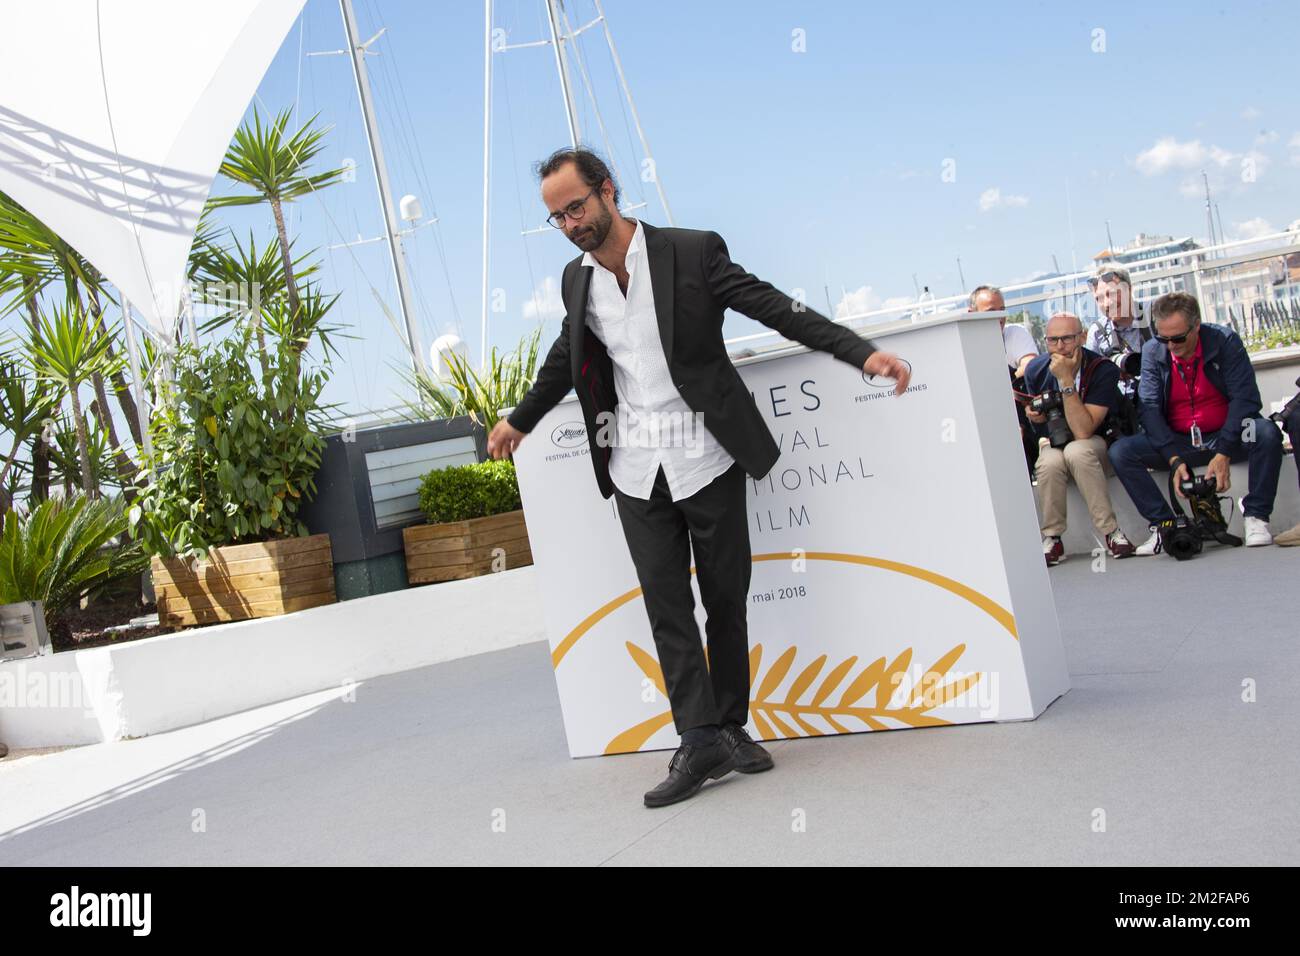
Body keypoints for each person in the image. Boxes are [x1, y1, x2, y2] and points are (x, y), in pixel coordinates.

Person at [486, 148, 911, 808]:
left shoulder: (691, 251)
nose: (570, 223)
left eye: (576, 207)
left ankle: (732, 726)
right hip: (633, 465)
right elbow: (567, 355)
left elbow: (775, 307)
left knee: (725, 598)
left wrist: (860, 353)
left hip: (706, 456)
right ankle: (697, 736)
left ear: (608, 191)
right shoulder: (578, 282)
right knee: (666, 608)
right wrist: (521, 420)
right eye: (556, 217)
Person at [1108, 292, 1283, 554]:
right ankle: (1166, 526)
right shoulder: (1153, 351)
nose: (1171, 345)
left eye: (1178, 338)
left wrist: (1223, 451)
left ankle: (1256, 516)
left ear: (1197, 326)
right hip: (1180, 442)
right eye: (1163, 337)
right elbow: (1150, 410)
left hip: (1228, 436)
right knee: (1121, 452)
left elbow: (1245, 400)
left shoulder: (1225, 341)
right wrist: (1174, 459)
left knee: (1266, 433)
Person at [1023, 313, 1137, 564]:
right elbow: (1040, 430)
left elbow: (1085, 430)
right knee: (1048, 463)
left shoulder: (1102, 368)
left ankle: (1111, 531)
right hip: (1057, 444)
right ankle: (1052, 537)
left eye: (1067, 339)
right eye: (1053, 340)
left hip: (1097, 442)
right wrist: (1036, 417)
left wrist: (1065, 381)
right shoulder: (1036, 370)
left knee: (1078, 450)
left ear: (1082, 337)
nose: (1060, 347)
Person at [969, 285, 1039, 476]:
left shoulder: (1015, 332)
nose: (999, 317)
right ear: (971, 313)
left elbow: (1030, 366)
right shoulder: (964, 346)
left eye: (1002, 310)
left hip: (1020, 415)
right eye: (991, 312)